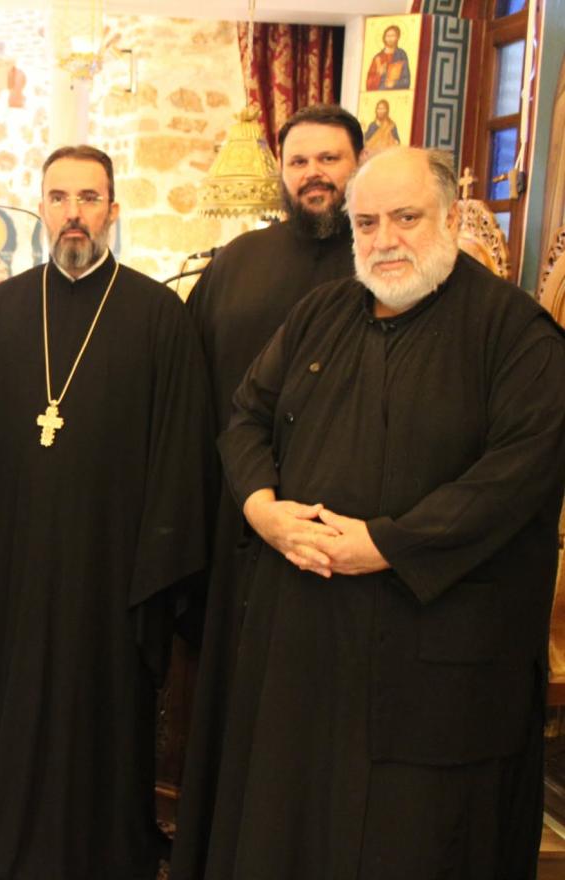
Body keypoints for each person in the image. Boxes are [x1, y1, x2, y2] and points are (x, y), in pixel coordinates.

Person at [205, 147, 565, 879]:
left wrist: (388, 545)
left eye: (406, 218)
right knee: (292, 825)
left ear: (452, 219)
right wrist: (263, 508)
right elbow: (246, 416)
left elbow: (515, 478)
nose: (384, 239)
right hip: (306, 639)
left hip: (435, 655)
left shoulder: (515, 333)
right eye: (366, 223)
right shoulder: (321, 313)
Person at [0, 145, 212, 878]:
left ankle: (106, 845)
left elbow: (181, 446)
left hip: (112, 558)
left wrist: (157, 554)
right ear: (41, 208)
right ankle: (7, 837)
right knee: (16, 690)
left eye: (89, 198)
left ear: (112, 211)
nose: (74, 213)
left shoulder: (158, 314)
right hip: (17, 551)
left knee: (105, 697)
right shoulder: (4, 308)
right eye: (60, 197)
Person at [171, 103, 362, 880]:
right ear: (282, 172)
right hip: (239, 519)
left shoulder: (384, 261)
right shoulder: (236, 264)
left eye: (330, 159)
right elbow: (193, 397)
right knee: (237, 701)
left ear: (358, 164)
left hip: (348, 533)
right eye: (300, 161)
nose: (314, 174)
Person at [365, 24, 410, 91]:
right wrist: (379, 74)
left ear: (397, 37)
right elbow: (368, 85)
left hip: (396, 93)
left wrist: (395, 84)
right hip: (380, 92)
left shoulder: (401, 55)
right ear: (384, 38)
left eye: (393, 36)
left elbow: (406, 81)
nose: (390, 38)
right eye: (388, 36)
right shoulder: (378, 58)